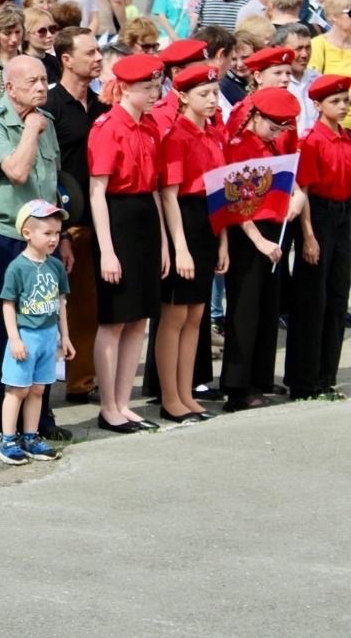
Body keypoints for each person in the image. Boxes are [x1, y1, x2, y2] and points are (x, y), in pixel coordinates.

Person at [0, 55, 69, 443]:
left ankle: (37, 417)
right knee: (4, 329)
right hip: (6, 235)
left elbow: (51, 182)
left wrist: (61, 239)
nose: (42, 87)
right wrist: (29, 129)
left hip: (44, 239)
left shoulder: (47, 122)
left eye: (45, 80)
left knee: (42, 325)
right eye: (32, 81)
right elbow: (17, 171)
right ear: (9, 87)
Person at [88, 53, 167, 434]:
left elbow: (154, 190)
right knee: (115, 318)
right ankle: (108, 406)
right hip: (117, 219)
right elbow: (97, 192)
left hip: (145, 221)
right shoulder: (107, 127)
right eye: (146, 87)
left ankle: (123, 401)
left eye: (156, 86)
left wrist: (165, 242)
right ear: (125, 88)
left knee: (139, 318)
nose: (154, 94)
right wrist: (106, 249)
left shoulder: (150, 127)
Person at [154, 64, 226, 423]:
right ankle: (170, 397)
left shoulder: (213, 134)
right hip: (183, 219)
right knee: (175, 314)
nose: (212, 100)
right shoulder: (176, 136)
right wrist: (179, 246)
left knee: (196, 314)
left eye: (214, 93)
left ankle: (186, 391)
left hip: (208, 222)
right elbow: (169, 196)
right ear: (182, 96)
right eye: (204, 94)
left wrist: (223, 241)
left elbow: (220, 192)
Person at [221, 87, 300, 411]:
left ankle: (259, 379)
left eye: (283, 129)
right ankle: (238, 387)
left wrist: (294, 202)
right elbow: (234, 200)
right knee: (245, 311)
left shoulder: (270, 143)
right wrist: (259, 240)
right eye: (274, 127)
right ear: (255, 116)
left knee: (267, 308)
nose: (278, 134)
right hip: (249, 233)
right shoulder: (239, 147)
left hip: (273, 229)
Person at [43, 28, 107, 404]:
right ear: (66, 59)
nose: (98, 58)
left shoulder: (101, 104)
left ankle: (83, 379)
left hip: (100, 220)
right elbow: (47, 170)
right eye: (91, 52)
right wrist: (61, 231)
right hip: (61, 223)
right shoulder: (50, 105)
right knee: (53, 308)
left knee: (89, 305)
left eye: (100, 51)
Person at [0, 201, 74, 464]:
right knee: (17, 389)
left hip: (48, 337)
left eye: (57, 233)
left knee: (38, 389)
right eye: (47, 233)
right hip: (26, 337)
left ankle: (30, 435)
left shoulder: (56, 266)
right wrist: (14, 338)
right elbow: (8, 304)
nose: (53, 239)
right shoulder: (17, 267)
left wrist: (65, 337)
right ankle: (7, 439)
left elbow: (61, 302)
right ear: (27, 234)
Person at [286, 75, 351, 399]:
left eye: (345, 101)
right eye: (335, 101)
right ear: (318, 105)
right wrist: (309, 236)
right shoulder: (311, 140)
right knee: (313, 298)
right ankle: (304, 379)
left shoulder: (347, 138)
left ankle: (325, 375)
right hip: (320, 215)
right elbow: (306, 191)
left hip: (343, 215)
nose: (342, 106)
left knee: (338, 297)